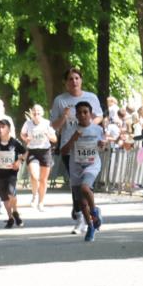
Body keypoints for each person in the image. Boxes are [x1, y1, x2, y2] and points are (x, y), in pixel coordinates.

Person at [49, 67, 103, 234]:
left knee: (86, 185)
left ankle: (90, 214)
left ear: (81, 80)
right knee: (76, 186)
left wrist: (89, 127)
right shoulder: (60, 100)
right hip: (69, 148)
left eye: (77, 78)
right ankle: (81, 217)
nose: (74, 82)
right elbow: (54, 126)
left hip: (88, 145)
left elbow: (99, 116)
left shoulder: (91, 98)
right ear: (66, 83)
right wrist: (64, 117)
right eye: (70, 79)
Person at [59, 101, 105, 242]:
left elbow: (101, 145)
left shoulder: (97, 129)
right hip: (76, 166)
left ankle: (94, 212)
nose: (83, 115)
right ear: (76, 115)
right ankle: (90, 226)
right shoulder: (71, 130)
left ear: (90, 114)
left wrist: (102, 144)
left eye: (86, 112)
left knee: (85, 187)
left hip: (92, 164)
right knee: (80, 202)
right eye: (80, 112)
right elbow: (63, 151)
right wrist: (73, 139)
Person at [0, 120, 27, 228]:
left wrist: (19, 161)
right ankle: (10, 217)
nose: (0, 129)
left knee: (11, 192)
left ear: (9, 129)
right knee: (4, 197)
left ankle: (15, 212)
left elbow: (25, 152)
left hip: (11, 173)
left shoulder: (14, 142)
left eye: (3, 127)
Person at [21, 104, 56, 211]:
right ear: (31, 113)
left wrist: (48, 135)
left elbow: (54, 139)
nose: (36, 114)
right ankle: (34, 195)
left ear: (42, 113)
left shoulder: (47, 123)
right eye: (34, 112)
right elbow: (22, 134)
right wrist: (26, 139)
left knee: (43, 180)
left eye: (38, 112)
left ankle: (41, 202)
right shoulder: (28, 123)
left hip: (45, 151)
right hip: (33, 151)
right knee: (34, 176)